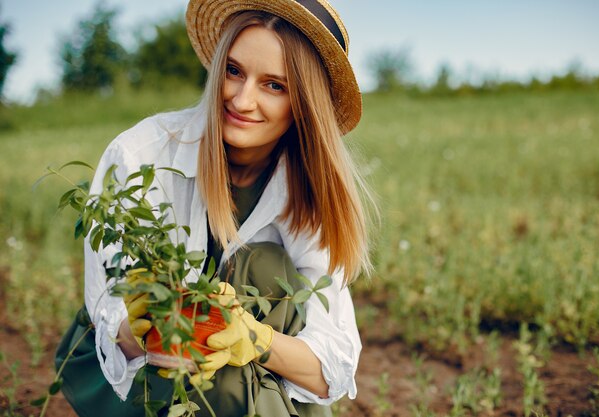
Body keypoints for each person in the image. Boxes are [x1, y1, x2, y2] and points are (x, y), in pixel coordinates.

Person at [55, 0, 375, 416]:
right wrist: (153, 325)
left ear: (304, 104)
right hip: (146, 376)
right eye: (234, 71)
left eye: (274, 85)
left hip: (252, 378)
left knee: (263, 267)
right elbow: (109, 313)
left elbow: (332, 363)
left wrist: (253, 338)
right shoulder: (141, 155)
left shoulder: (310, 190)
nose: (241, 101)